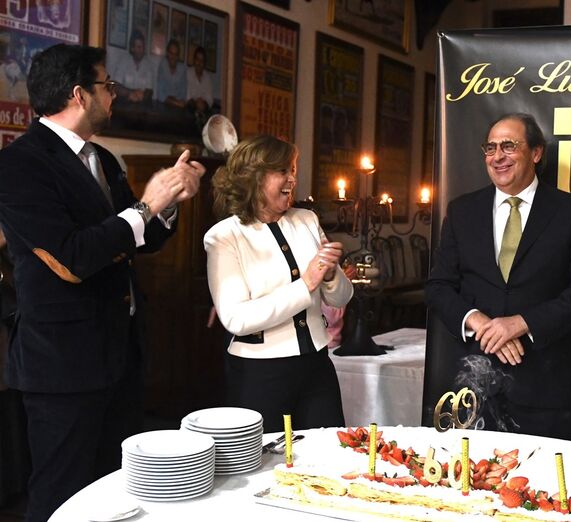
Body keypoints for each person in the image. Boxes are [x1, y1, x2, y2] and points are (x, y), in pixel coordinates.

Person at [0, 44, 205, 522]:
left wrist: (169, 200)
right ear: (79, 94)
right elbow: (72, 259)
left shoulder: (104, 160)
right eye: (107, 85)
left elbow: (140, 239)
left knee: (116, 490)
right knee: (61, 496)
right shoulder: (19, 164)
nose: (115, 94)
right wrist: (145, 206)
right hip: (62, 364)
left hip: (120, 352)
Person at [425, 113, 571, 439]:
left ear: (536, 153)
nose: (497, 156)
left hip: (544, 387)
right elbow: (439, 287)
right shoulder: (461, 211)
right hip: (472, 388)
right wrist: (480, 322)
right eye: (490, 148)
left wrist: (521, 323)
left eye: (509, 146)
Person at [204, 135, 352, 433]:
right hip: (260, 374)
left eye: (293, 170)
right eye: (282, 171)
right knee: (264, 468)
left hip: (316, 365)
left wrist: (331, 275)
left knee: (327, 458)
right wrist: (306, 283)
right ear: (254, 179)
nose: (292, 179)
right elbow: (236, 318)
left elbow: (340, 299)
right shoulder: (225, 236)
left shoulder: (307, 220)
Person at [111, 30, 154, 103]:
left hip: (141, 104)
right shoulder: (123, 62)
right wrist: (130, 93)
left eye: (142, 47)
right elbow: (116, 86)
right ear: (132, 48)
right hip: (124, 103)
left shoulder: (148, 65)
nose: (141, 50)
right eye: (138, 47)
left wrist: (143, 95)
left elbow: (150, 90)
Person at [155, 39, 186, 107]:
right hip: (164, 104)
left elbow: (183, 94)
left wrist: (176, 101)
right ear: (167, 53)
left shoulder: (182, 69)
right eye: (171, 53)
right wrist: (175, 102)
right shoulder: (163, 65)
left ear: (178, 56)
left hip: (177, 106)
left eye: (176, 54)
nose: (173, 57)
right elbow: (160, 94)